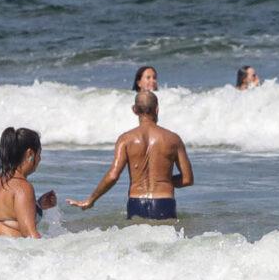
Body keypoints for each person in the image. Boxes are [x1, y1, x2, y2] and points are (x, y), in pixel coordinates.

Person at [69, 91, 195, 220]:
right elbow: (187, 179)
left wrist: (91, 199)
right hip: (164, 202)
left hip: (136, 202)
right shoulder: (173, 139)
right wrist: (163, 181)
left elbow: (113, 176)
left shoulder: (125, 139)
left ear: (134, 110)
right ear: (157, 109)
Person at [0, 127, 51, 238]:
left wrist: (38, 205)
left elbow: (5, 218)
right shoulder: (23, 187)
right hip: (8, 251)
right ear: (30, 154)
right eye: (39, 154)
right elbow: (29, 235)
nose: (40, 159)